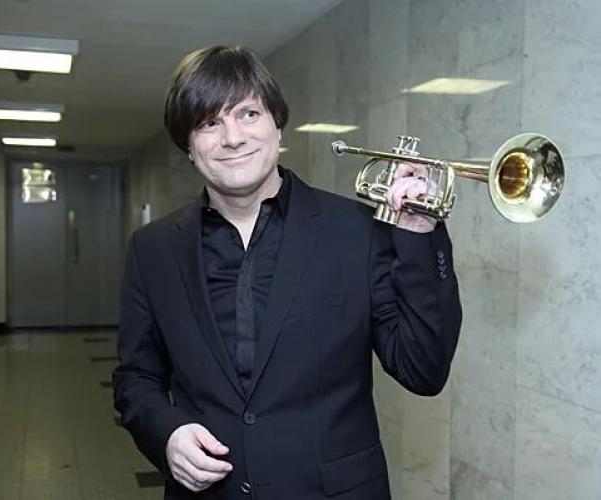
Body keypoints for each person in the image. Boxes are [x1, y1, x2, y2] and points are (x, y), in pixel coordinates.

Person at [113, 46, 462, 499]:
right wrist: (167, 435)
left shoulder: (356, 232)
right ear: (189, 147)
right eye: (209, 123)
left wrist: (418, 235)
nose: (233, 137)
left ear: (278, 124)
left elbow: (423, 370)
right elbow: (135, 378)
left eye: (248, 114)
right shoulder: (152, 249)